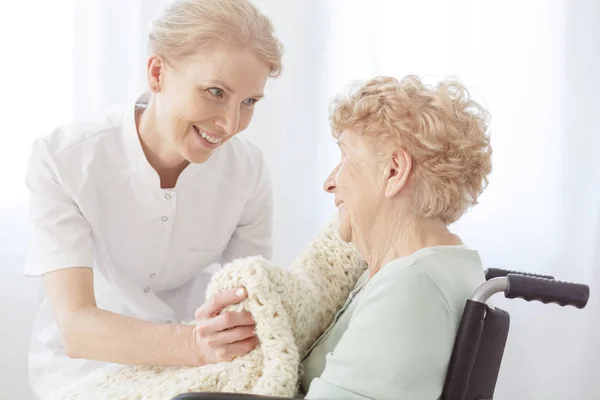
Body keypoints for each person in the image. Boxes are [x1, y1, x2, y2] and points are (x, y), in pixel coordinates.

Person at [22, 0, 283, 397]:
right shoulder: (64, 160)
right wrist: (194, 344)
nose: (231, 124)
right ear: (157, 73)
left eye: (249, 102)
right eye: (215, 92)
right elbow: (75, 327)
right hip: (87, 370)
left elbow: (249, 298)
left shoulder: (248, 171)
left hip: (200, 366)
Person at [300, 75, 493, 399]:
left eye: (346, 157)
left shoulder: (412, 285)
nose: (330, 182)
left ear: (393, 171)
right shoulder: (436, 268)